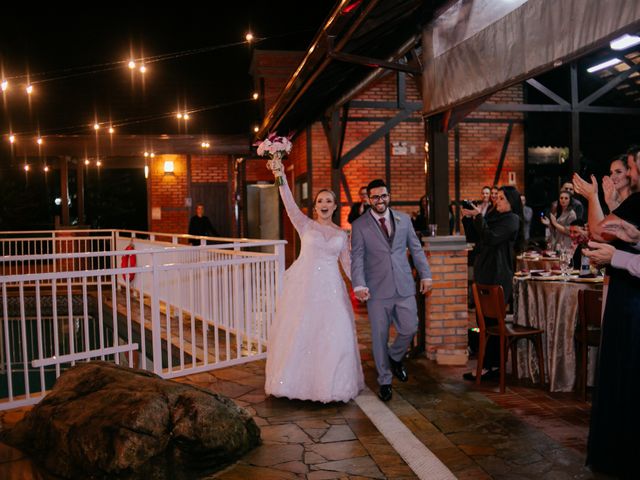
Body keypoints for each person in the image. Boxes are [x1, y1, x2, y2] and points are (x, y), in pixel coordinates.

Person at [264, 165, 364, 403]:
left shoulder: (342, 235)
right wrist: (280, 175)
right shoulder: (305, 224)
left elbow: (349, 265)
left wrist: (360, 286)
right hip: (305, 288)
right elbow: (288, 202)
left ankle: (332, 386)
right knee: (300, 332)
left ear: (335, 206)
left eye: (329, 200)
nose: (324, 204)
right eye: (320, 200)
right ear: (316, 205)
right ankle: (294, 384)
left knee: (334, 334)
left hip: (331, 290)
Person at [577, 147, 640, 477]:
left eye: (627, 169)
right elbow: (610, 231)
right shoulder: (631, 204)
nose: (625, 175)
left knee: (628, 373)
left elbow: (600, 231)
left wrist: (592, 197)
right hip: (624, 296)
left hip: (633, 300)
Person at [351, 179, 432, 402]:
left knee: (410, 327)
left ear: (389, 195)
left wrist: (426, 274)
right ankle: (385, 381)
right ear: (368, 199)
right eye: (375, 197)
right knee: (379, 337)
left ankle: (395, 357)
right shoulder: (359, 225)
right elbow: (356, 256)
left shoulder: (404, 219)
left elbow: (415, 249)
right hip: (376, 290)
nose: (380, 200)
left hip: (404, 285)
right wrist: (359, 284)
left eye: (383, 195)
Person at [460, 186, 524, 380]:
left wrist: (479, 216)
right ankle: (488, 365)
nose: (498, 201)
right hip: (485, 272)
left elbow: (491, 237)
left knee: (493, 322)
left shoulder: (512, 219)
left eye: (503, 198)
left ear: (512, 202)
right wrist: (468, 217)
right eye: (499, 198)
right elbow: (475, 237)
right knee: (483, 323)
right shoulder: (494, 217)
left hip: (498, 275)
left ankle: (493, 366)